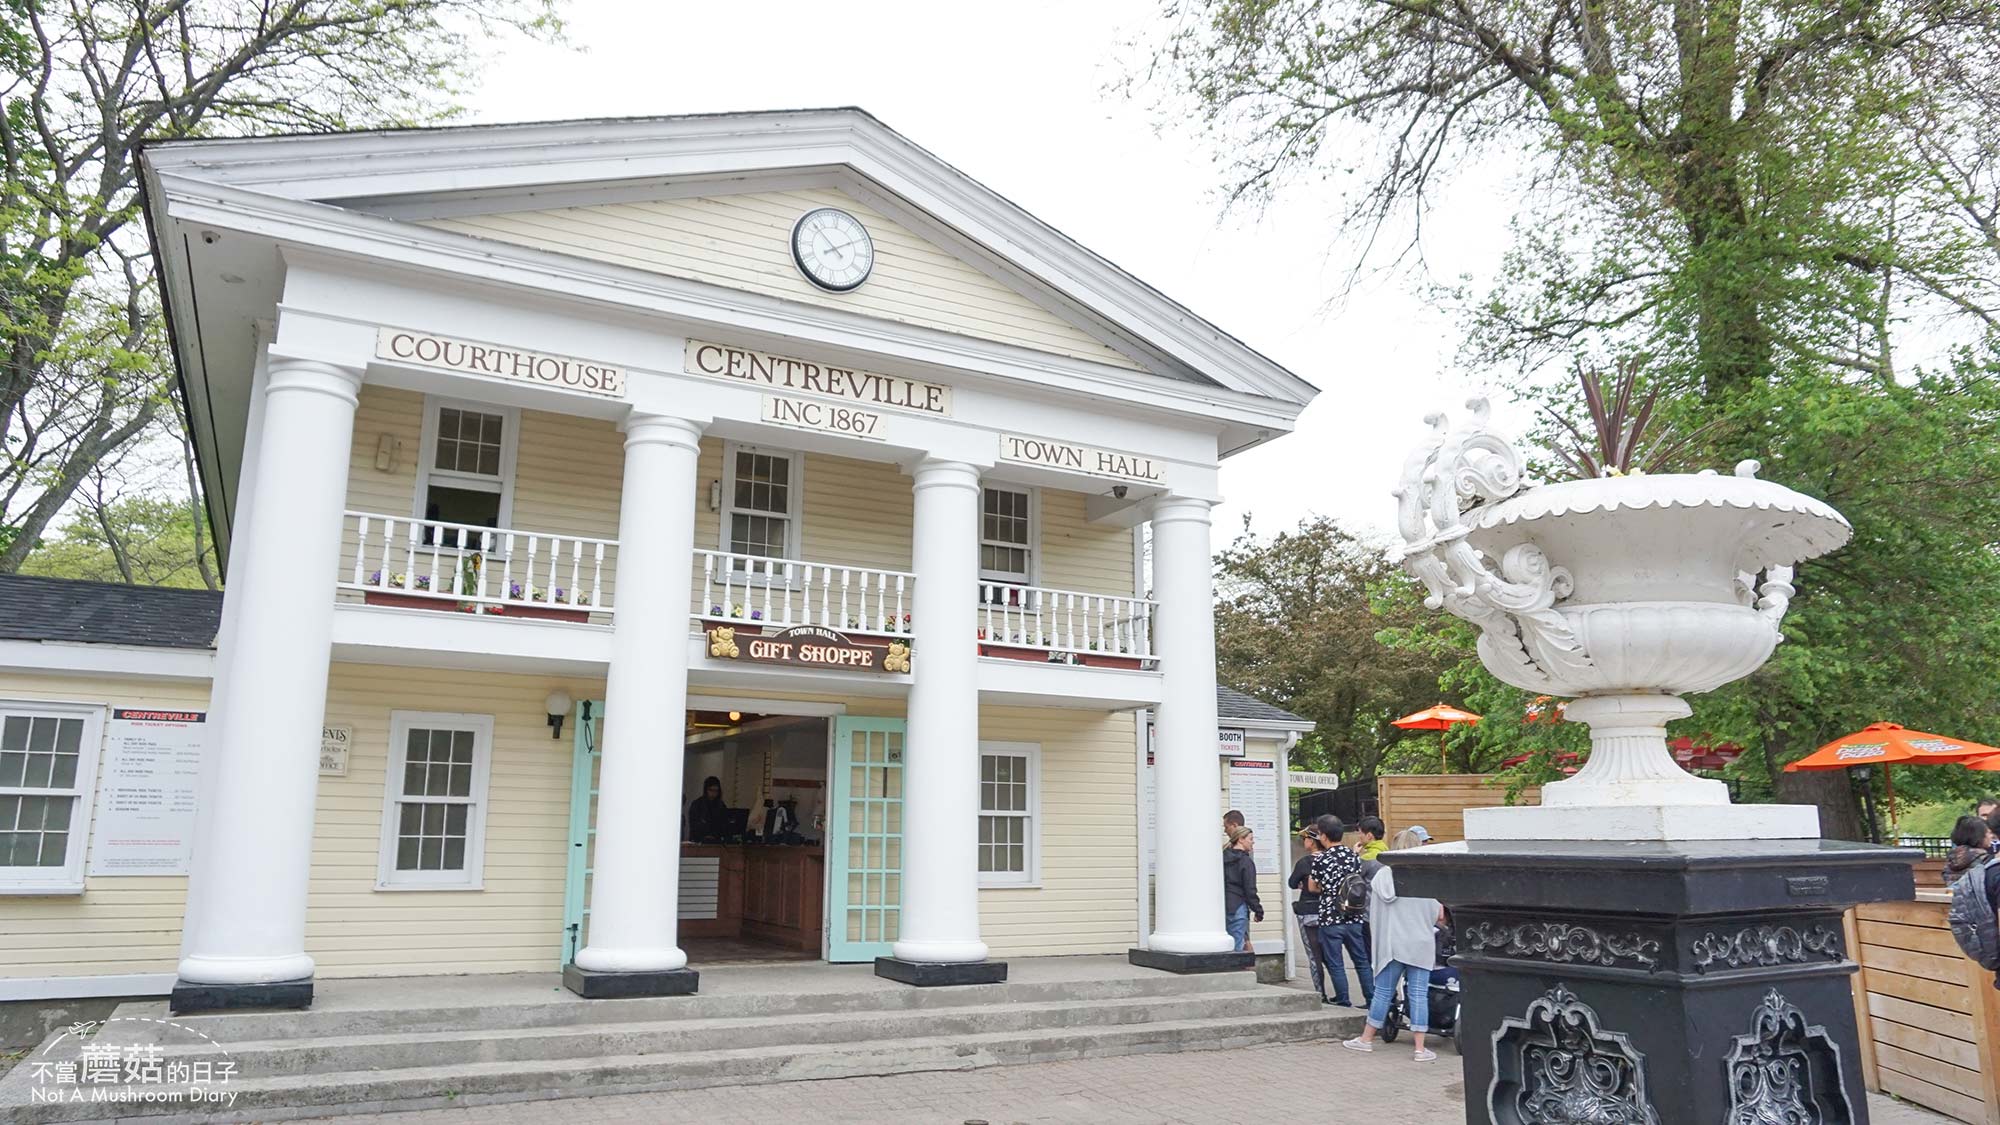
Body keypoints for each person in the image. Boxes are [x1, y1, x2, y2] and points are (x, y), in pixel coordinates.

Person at [1344, 827, 1446, 1062]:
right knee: (1419, 993)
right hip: (1420, 943)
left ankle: (1366, 1039)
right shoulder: (1427, 878)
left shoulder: (1382, 876)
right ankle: (1420, 1049)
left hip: (1392, 943)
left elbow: (1374, 909)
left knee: (1383, 991)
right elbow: (1437, 914)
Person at [1307, 813, 1373, 1008]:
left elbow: (1313, 887)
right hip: (1354, 915)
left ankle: (1343, 999)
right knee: (1361, 960)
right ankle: (1371, 999)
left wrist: (1328, 890)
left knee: (1336, 962)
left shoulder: (1321, 859)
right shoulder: (1353, 857)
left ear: (1324, 836)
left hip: (1330, 916)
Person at [1289, 825, 1333, 1003]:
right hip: (1329, 911)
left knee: (1314, 956)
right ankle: (1342, 993)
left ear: (1312, 841)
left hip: (1308, 911)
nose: (1304, 842)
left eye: (1306, 838)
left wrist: (1302, 884)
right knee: (1331, 955)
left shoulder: (1305, 862)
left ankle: (1320, 993)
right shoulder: (1332, 859)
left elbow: (1293, 882)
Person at [1223, 824, 1263, 951]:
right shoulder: (1246, 862)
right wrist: (1258, 910)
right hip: (1238, 906)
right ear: (1241, 839)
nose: (1253, 842)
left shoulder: (1221, 858)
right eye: (1250, 839)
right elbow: (1250, 889)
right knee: (1237, 945)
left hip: (1221, 907)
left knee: (1225, 946)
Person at [1947, 815, 1993, 885]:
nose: (1991, 836)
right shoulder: (1986, 861)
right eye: (1988, 832)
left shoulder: (1951, 860)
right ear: (1979, 835)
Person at [686, 776, 729, 842]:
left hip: (717, 840)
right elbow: (694, 825)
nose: (713, 793)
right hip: (698, 841)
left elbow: (724, 823)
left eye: (716, 791)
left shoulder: (721, 805)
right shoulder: (697, 804)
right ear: (706, 790)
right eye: (711, 790)